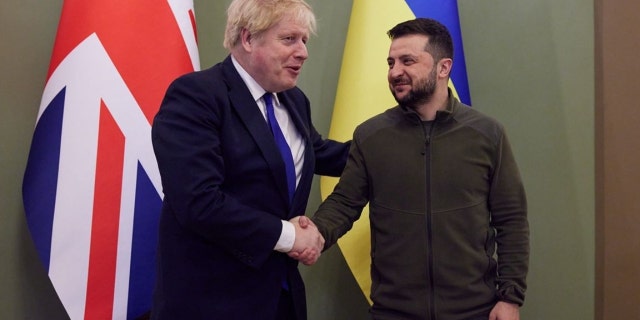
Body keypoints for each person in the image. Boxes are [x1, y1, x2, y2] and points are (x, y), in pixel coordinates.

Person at [298, 18, 529, 320]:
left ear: (443, 68)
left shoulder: (487, 134)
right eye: (391, 62)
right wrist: (313, 234)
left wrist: (511, 297)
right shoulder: (371, 136)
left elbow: (511, 220)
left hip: (475, 311)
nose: (395, 72)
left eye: (408, 61)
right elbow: (344, 203)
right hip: (394, 312)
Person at [150, 0, 350, 319]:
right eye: (289, 39)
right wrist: (290, 236)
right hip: (212, 301)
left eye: (304, 41)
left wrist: (395, 139)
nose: (303, 52)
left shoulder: (294, 100)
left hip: (280, 298)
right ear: (248, 38)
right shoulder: (197, 96)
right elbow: (198, 202)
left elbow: (319, 154)